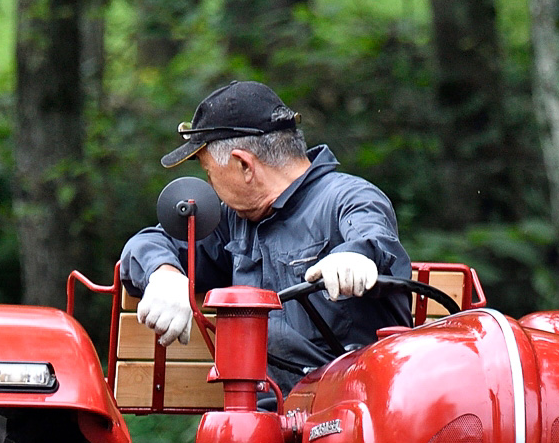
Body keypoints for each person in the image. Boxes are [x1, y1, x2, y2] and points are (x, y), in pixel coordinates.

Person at [118, 81, 414, 394]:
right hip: (263, 422)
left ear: (244, 165)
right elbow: (146, 244)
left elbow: (374, 237)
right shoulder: (234, 219)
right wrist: (165, 274)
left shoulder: (349, 198)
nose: (209, 185)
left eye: (208, 172)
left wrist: (355, 256)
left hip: (354, 413)